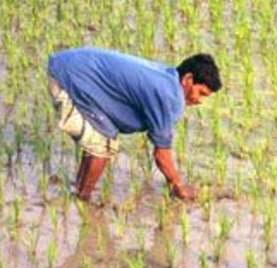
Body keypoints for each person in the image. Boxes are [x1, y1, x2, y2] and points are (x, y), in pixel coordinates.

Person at [47, 47, 222, 202]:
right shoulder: (169, 96)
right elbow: (161, 154)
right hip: (67, 77)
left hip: (68, 67)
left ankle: (80, 191)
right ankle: (82, 200)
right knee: (103, 144)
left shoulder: (166, 79)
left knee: (103, 136)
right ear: (188, 79)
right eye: (201, 93)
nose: (199, 101)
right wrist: (178, 187)